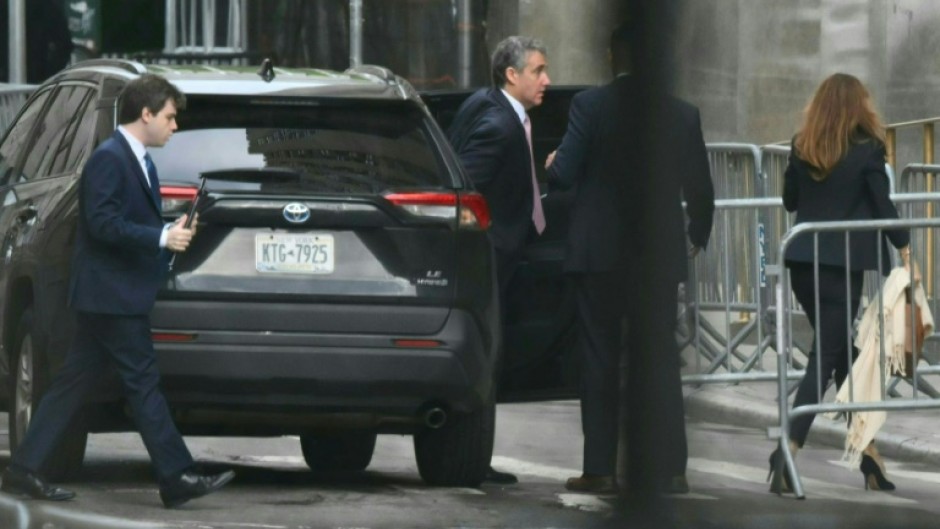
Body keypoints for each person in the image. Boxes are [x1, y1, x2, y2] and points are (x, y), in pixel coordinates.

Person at [0, 74, 235, 508]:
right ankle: (177, 475)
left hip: (110, 293)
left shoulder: (138, 159)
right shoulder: (110, 159)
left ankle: (24, 468)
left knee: (73, 381)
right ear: (145, 114)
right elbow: (103, 224)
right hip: (111, 295)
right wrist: (161, 239)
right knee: (142, 382)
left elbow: (123, 223)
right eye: (169, 116)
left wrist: (167, 230)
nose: (174, 125)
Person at [546, 22, 714, 497]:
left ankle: (600, 469)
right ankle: (673, 469)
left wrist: (552, 163)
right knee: (660, 357)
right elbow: (701, 190)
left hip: (598, 255)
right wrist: (697, 235)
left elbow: (565, 174)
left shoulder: (589, 106)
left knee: (598, 359)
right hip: (655, 257)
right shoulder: (681, 114)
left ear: (610, 56)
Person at [769, 72, 911, 494]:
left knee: (837, 353)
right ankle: (787, 449)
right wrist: (905, 251)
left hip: (802, 264)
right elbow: (884, 206)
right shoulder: (868, 150)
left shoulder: (801, 145)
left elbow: (790, 201)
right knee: (826, 356)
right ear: (858, 107)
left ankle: (869, 455)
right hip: (841, 267)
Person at [447, 35, 551, 484]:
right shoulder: (499, 124)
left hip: (503, 253)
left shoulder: (487, 106)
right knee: (486, 358)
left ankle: (471, 456)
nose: (547, 80)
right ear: (512, 75)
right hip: (489, 257)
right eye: (538, 71)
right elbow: (465, 186)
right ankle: (471, 458)